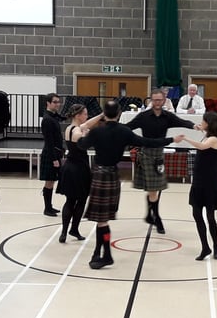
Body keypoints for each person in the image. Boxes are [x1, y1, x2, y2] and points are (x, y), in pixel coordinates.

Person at [77, 100, 183, 269]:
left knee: (101, 220)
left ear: (105, 113)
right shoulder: (124, 131)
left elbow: (81, 145)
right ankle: (99, 252)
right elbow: (148, 141)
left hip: (99, 175)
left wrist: (84, 133)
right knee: (102, 220)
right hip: (113, 175)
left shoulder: (97, 132)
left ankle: (106, 255)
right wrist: (171, 139)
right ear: (119, 114)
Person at [125, 88, 199, 234]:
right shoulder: (144, 116)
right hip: (146, 153)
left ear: (164, 100)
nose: (157, 103)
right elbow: (128, 127)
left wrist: (193, 125)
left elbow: (181, 121)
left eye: (160, 100)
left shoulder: (167, 116)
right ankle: (157, 218)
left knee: (155, 189)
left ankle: (148, 215)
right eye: (155, 100)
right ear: (151, 100)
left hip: (159, 154)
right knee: (153, 190)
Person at [56, 104, 103, 243]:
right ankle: (73, 229)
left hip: (69, 167)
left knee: (69, 201)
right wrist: (86, 135)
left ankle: (65, 232)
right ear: (78, 115)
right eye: (85, 114)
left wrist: (101, 115)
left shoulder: (69, 128)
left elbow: (87, 124)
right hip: (79, 169)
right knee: (80, 200)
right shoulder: (78, 132)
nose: (87, 116)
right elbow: (83, 141)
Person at [182, 112, 217, 260]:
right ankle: (205, 247)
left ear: (209, 123)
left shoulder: (213, 139)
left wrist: (186, 138)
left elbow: (201, 146)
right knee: (197, 213)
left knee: (210, 217)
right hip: (198, 181)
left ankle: (216, 246)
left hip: (209, 183)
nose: (201, 122)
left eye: (203, 121)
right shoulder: (208, 135)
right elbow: (203, 137)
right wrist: (200, 129)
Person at [40, 93, 64, 217]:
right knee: (49, 181)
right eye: (55, 102)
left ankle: (49, 207)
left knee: (52, 181)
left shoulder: (53, 116)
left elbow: (61, 117)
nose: (57, 104)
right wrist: (54, 158)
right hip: (51, 154)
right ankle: (47, 208)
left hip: (55, 152)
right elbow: (49, 141)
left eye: (58, 102)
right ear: (48, 103)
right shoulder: (47, 119)